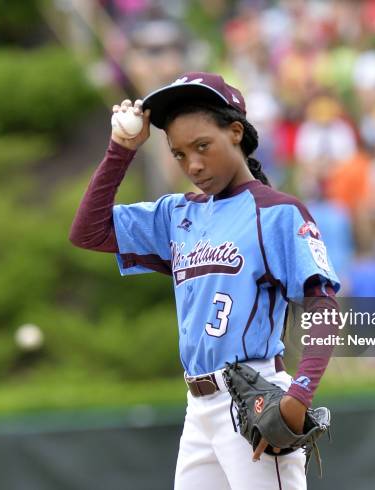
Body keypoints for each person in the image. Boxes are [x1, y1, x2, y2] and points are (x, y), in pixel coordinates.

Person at [69, 72, 340, 489]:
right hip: (198, 410)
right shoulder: (177, 214)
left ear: (235, 133)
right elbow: (88, 231)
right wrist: (121, 151)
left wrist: (300, 395)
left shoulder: (277, 213)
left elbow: (323, 304)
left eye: (202, 147)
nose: (193, 164)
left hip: (255, 395)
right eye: (179, 154)